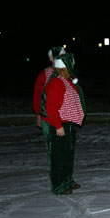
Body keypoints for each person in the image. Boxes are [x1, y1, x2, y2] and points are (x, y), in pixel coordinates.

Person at [39, 53, 86, 195]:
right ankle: (58, 185)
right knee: (58, 156)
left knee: (67, 154)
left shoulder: (66, 80)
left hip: (68, 122)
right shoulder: (57, 83)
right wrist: (57, 125)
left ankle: (67, 180)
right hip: (59, 124)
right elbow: (51, 107)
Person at [33, 46, 66, 128]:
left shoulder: (66, 73)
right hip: (48, 117)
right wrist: (38, 115)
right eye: (60, 56)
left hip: (65, 117)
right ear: (52, 58)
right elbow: (38, 96)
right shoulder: (44, 75)